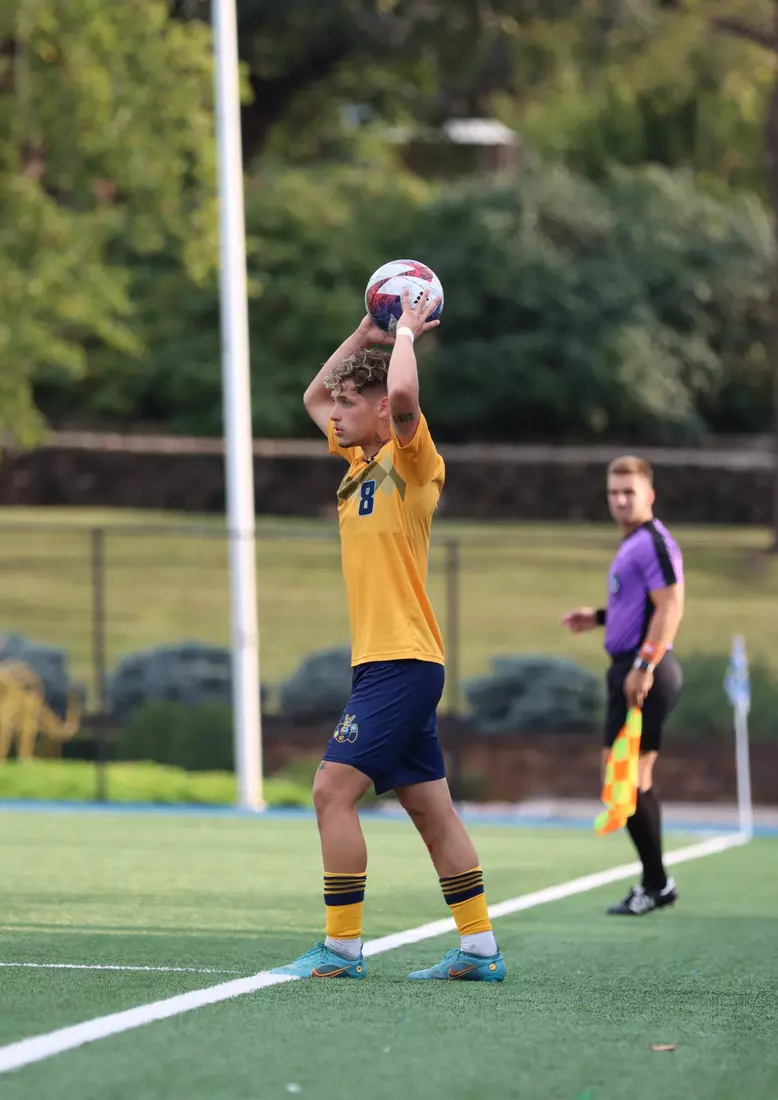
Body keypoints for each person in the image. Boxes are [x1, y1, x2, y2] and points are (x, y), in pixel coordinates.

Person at [271, 288, 506, 981]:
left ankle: (342, 949)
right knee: (432, 809)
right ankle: (479, 949)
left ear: (380, 413)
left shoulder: (409, 460)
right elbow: (314, 395)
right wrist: (361, 334)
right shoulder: (356, 466)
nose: (334, 414)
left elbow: (402, 391)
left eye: (352, 405)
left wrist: (404, 334)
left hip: (403, 661)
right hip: (384, 664)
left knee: (329, 792)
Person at [562, 455, 685, 916]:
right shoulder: (634, 542)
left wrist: (643, 665)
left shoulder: (652, 541)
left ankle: (656, 884)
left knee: (623, 780)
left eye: (628, 492)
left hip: (642, 673)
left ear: (649, 495)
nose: (619, 500)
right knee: (632, 780)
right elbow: (640, 607)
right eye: (613, 492)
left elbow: (670, 607)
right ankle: (656, 884)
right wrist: (596, 617)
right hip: (632, 668)